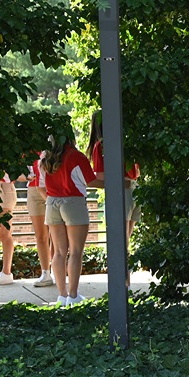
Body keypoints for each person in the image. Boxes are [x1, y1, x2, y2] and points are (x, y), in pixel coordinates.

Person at [41, 133, 102, 306]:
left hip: (51, 203)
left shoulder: (46, 158)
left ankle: (62, 295)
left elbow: (43, 184)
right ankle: (73, 296)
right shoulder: (76, 156)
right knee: (75, 252)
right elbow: (91, 181)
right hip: (73, 202)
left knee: (59, 252)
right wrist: (117, 182)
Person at [87, 110, 141, 285]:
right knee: (127, 237)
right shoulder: (126, 142)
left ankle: (122, 279)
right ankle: (126, 278)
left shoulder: (100, 146)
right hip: (135, 188)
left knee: (120, 238)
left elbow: (101, 177)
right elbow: (137, 172)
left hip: (120, 190)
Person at [24, 154, 55, 288]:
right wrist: (26, 176)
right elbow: (20, 173)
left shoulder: (52, 145)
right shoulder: (26, 148)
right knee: (41, 235)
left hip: (53, 186)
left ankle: (57, 270)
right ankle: (45, 273)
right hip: (34, 188)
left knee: (55, 234)